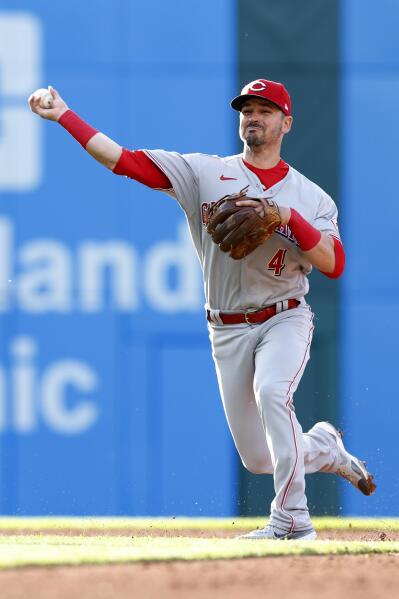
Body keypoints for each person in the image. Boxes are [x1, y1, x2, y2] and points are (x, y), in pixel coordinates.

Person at [28, 78, 375, 540]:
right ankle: (325, 449)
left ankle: (291, 520)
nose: (253, 116)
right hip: (227, 328)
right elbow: (124, 161)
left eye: (265, 110)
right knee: (258, 457)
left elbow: (334, 264)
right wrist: (64, 115)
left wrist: (288, 218)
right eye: (247, 109)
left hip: (284, 315)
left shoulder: (311, 198)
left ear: (286, 123)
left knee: (274, 393)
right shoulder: (204, 173)